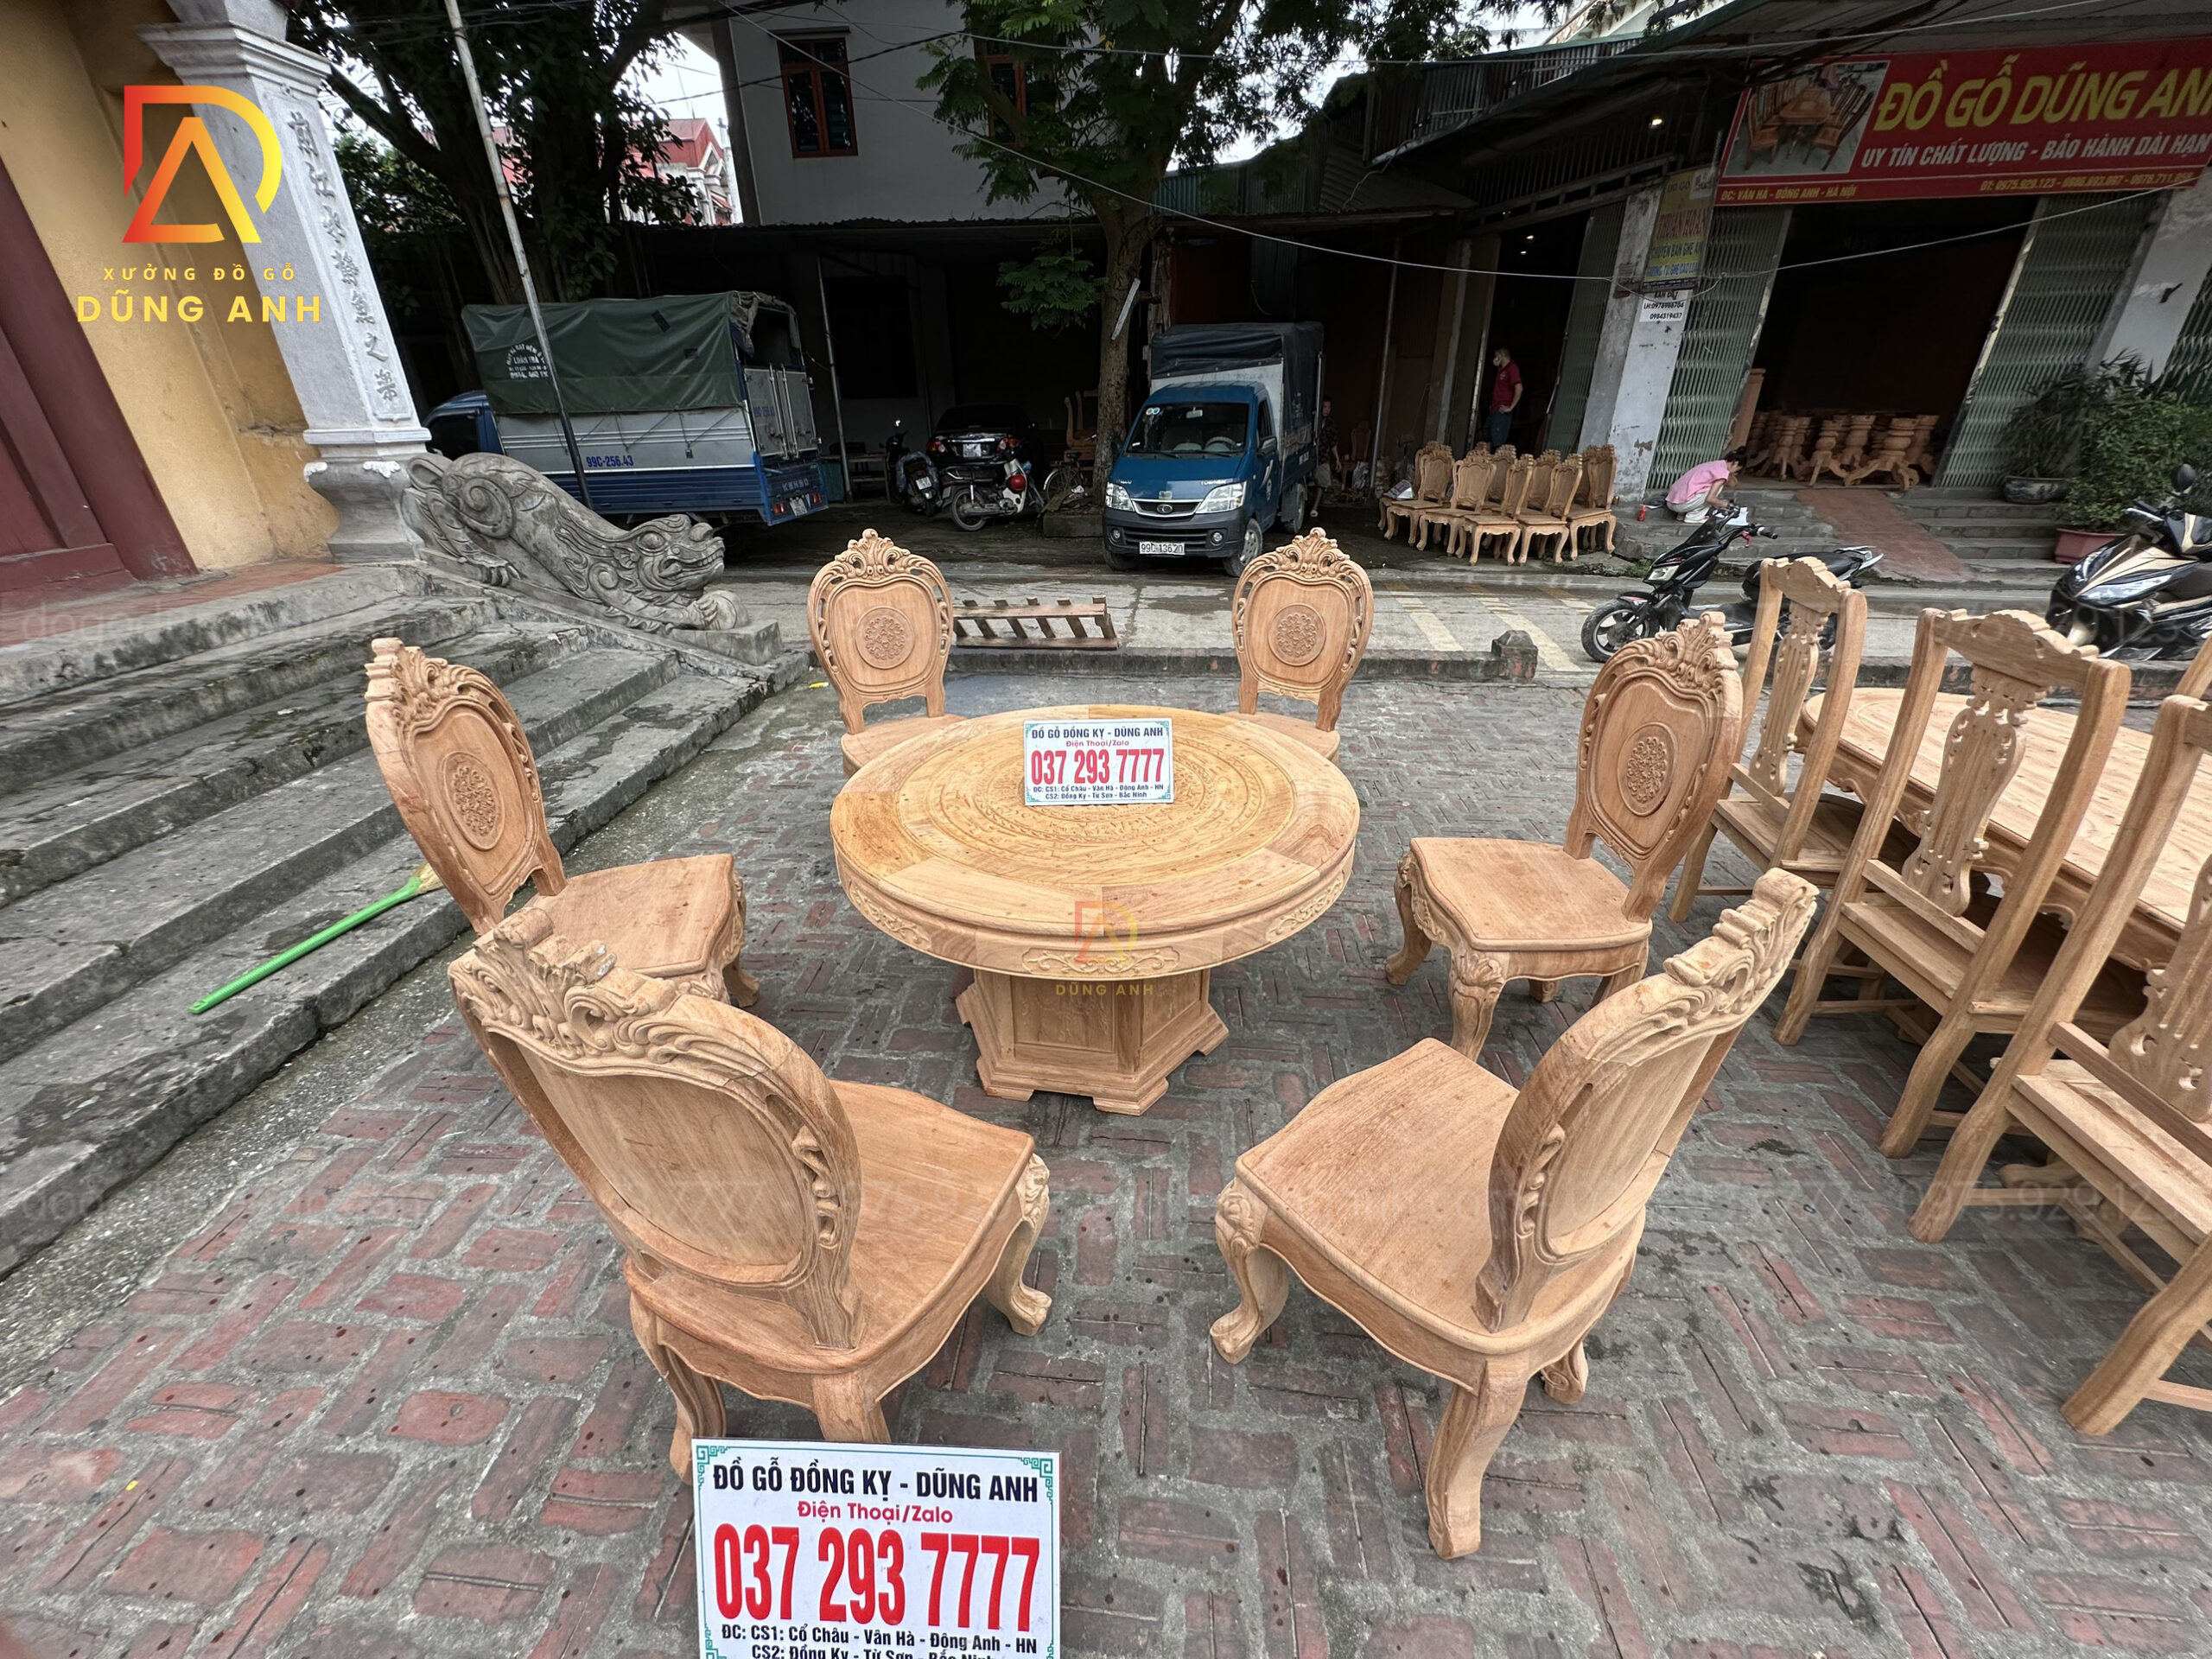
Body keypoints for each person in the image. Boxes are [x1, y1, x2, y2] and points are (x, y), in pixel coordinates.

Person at [1666, 452, 1741, 521]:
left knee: (1702, 490)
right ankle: (1694, 517)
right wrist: (1727, 505)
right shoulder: (1723, 473)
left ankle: (1682, 515)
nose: (1735, 473)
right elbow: (1710, 499)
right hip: (1681, 505)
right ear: (1736, 464)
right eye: (1737, 470)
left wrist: (1719, 503)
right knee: (1714, 491)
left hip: (1671, 502)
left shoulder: (1714, 465)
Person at [1483, 347, 1522, 448]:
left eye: (1496, 356)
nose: (1495, 358)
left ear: (1502, 355)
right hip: (1495, 409)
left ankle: (1497, 458)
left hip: (1502, 410)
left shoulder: (1512, 368)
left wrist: (1511, 407)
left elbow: (1519, 388)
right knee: (1487, 434)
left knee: (1497, 441)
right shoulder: (1501, 370)